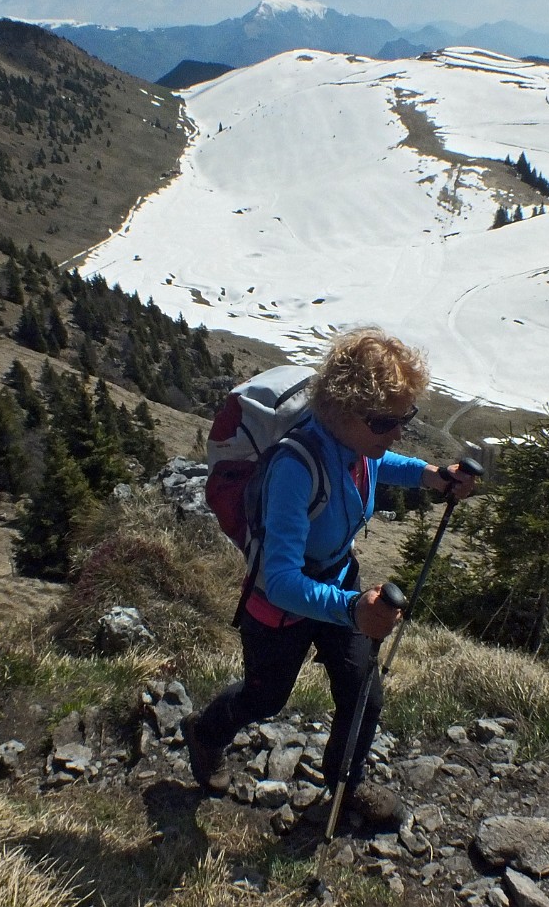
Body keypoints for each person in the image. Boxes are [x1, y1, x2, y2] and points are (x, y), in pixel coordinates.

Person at [183, 327, 476, 828]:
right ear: (341, 412)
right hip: (283, 607)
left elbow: (379, 459)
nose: (398, 431)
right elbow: (278, 580)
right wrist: (351, 609)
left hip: (340, 580)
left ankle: (345, 785)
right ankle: (205, 733)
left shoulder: (354, 441)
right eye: (387, 421)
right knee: (265, 698)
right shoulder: (295, 468)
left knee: (363, 689)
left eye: (406, 416)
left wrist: (429, 475)